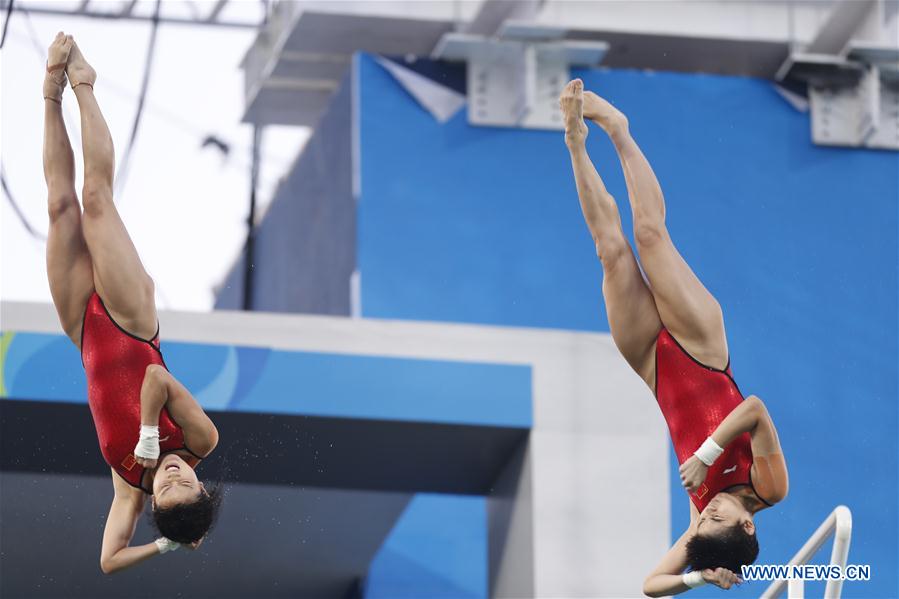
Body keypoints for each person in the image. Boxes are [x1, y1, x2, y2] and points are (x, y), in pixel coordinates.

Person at [559, 79, 789, 595]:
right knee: (649, 235)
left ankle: (575, 143)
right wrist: (708, 454)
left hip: (653, 367)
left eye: (701, 521)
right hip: (704, 351)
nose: (705, 512)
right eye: (716, 518)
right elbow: (754, 408)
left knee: (610, 250)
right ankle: (618, 129)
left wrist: (696, 574)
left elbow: (649, 585)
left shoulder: (704, 529)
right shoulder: (769, 489)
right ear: (746, 524)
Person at [42, 33, 221, 573]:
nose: (171, 475)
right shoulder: (201, 440)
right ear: (200, 484)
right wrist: (148, 435)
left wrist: (166, 545)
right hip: (132, 324)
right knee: (96, 199)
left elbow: (108, 561)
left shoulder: (128, 487)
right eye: (184, 482)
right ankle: (83, 81)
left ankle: (49, 92)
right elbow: (156, 383)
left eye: (166, 490)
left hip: (83, 331)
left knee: (59, 206)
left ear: (154, 506)